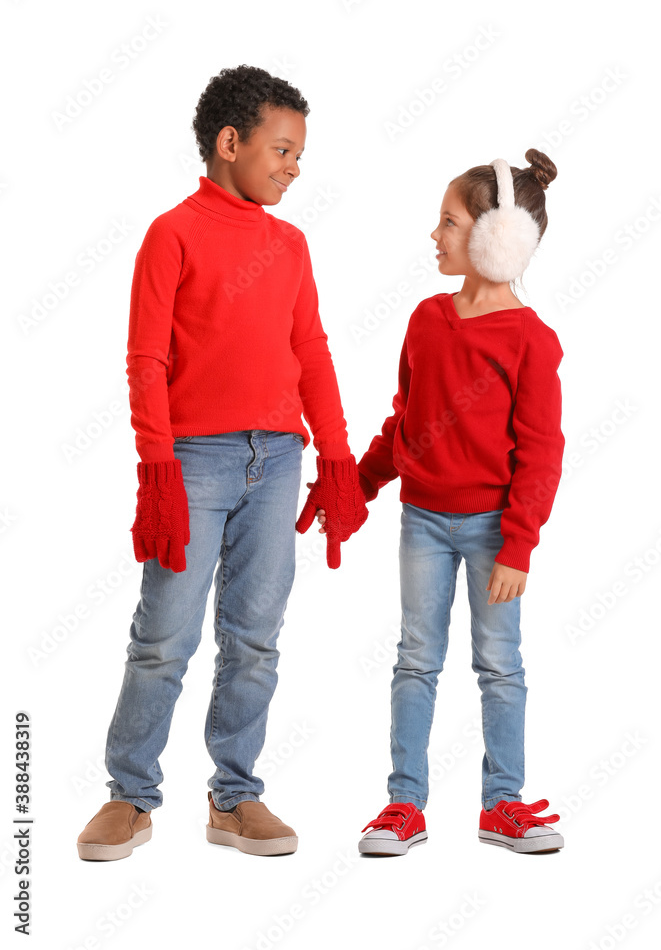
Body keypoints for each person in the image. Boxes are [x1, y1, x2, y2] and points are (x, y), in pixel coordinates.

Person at [76, 64, 367, 861]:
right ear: (228, 143)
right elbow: (146, 360)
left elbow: (310, 350)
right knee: (164, 635)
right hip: (194, 462)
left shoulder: (291, 244)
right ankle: (129, 795)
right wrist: (157, 469)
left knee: (256, 637)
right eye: (281, 149)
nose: (293, 166)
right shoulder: (171, 234)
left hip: (275, 461)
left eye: (298, 154)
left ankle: (233, 796)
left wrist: (336, 457)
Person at [315, 151, 565, 855]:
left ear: (496, 237)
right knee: (415, 659)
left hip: (493, 529)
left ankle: (502, 803)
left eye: (448, 223)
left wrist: (517, 545)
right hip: (422, 521)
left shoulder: (529, 341)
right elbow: (405, 423)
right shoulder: (426, 319)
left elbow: (541, 453)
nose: (434, 235)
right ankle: (403, 805)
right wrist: (357, 486)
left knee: (499, 664)